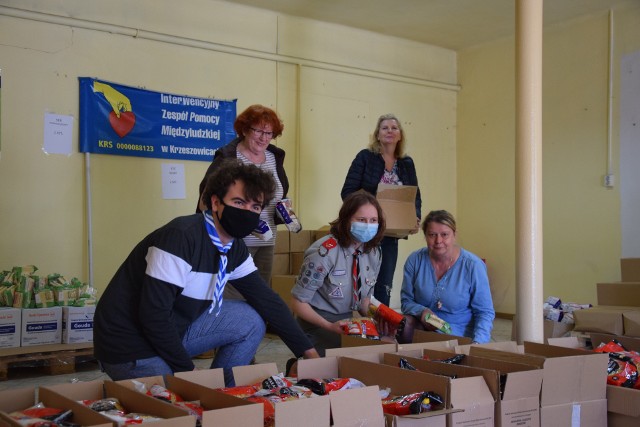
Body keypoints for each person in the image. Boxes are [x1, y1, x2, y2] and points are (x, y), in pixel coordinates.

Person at [94, 159, 319, 386]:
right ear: (215, 202)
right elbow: (154, 316)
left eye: (255, 207)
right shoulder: (180, 237)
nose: (247, 212)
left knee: (250, 320)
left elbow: (267, 300)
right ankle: (208, 391)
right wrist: (190, 372)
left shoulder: (233, 246)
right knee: (183, 411)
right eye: (239, 202)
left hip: (172, 328)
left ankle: (224, 390)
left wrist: (307, 352)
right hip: (129, 344)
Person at [197, 104, 288, 288]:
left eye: (269, 133)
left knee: (260, 294)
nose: (264, 138)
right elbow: (205, 203)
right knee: (231, 294)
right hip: (233, 240)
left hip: (267, 240)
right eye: (258, 131)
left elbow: (277, 194)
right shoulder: (228, 157)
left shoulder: (274, 158)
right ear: (245, 130)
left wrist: (286, 210)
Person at [290, 190, 387, 356]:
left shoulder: (372, 252)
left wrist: (383, 318)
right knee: (335, 366)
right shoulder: (324, 252)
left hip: (346, 322)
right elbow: (297, 303)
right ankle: (298, 364)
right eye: (361, 220)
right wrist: (329, 326)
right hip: (317, 323)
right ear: (347, 219)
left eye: (373, 220)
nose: (368, 225)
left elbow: (364, 300)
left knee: (387, 347)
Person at [341, 113, 421, 307]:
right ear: (377, 134)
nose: (390, 131)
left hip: (391, 232)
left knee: (384, 282)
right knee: (360, 279)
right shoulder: (365, 157)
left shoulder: (407, 163)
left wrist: (415, 217)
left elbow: (414, 195)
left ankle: (382, 326)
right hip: (364, 230)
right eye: (385, 128)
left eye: (394, 128)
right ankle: (357, 324)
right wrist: (370, 208)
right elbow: (347, 192)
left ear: (400, 135)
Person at [399, 210, 495, 343]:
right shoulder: (415, 260)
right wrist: (422, 311)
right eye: (432, 235)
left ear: (454, 235)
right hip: (423, 328)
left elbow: (485, 312)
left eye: (444, 235)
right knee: (402, 324)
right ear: (425, 236)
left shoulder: (473, 265)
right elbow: (406, 302)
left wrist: (478, 344)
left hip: (458, 335)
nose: (438, 241)